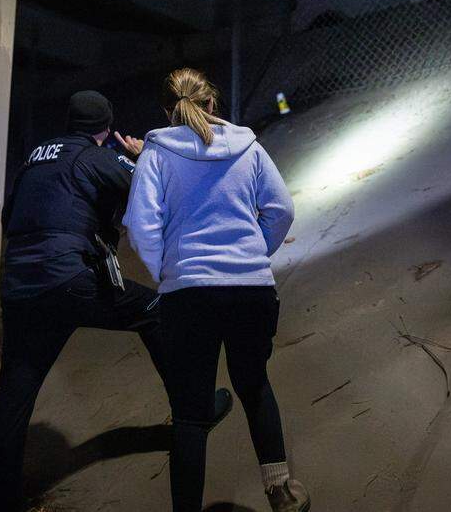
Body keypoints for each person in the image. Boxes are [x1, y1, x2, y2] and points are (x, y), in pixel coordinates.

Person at [0, 90, 233, 512]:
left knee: (17, 385)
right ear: (106, 129)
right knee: (156, 312)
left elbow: (11, 218)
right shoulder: (96, 156)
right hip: (68, 277)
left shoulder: (33, 160)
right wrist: (140, 156)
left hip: (20, 285)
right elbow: (153, 189)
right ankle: (196, 409)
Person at [124, 69, 311, 512]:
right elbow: (281, 209)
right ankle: (281, 493)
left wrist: (167, 272)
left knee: (191, 412)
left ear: (168, 112)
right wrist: (254, 255)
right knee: (254, 385)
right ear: (212, 103)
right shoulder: (249, 147)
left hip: (189, 294)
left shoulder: (156, 153)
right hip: (251, 290)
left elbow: (142, 225)